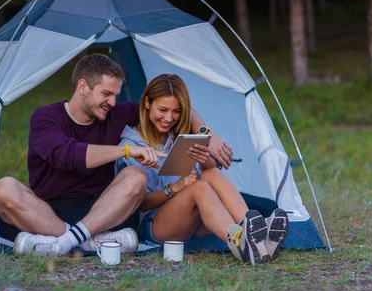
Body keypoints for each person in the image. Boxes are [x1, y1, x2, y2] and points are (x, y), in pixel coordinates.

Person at [0, 54, 235, 256]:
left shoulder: (115, 113)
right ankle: (84, 241)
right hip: (49, 211)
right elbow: (69, 156)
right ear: (83, 87)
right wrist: (127, 150)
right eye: (107, 94)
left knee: (135, 176)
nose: (112, 102)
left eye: (116, 95)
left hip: (105, 210)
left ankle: (60, 242)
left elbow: (177, 109)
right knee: (4, 188)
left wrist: (207, 134)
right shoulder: (46, 117)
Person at [117, 74, 290, 264]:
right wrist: (175, 187)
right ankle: (242, 243)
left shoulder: (179, 137)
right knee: (199, 188)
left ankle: (254, 234)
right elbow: (138, 204)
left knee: (211, 173)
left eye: (176, 111)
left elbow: (207, 172)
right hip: (154, 224)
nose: (169, 118)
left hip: (192, 218)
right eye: (163, 110)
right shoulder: (130, 146)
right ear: (147, 103)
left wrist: (205, 156)